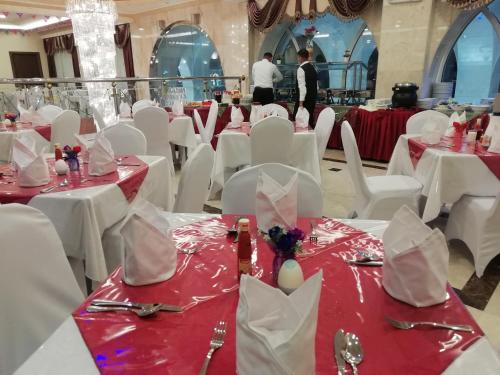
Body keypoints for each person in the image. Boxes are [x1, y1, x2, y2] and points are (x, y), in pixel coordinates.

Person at [293, 48, 318, 128]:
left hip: (304, 100)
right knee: (309, 120)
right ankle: (310, 138)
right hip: (312, 99)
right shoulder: (313, 68)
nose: (298, 59)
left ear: (301, 57)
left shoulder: (301, 69)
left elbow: (302, 87)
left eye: (298, 57)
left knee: (299, 122)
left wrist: (301, 103)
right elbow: (316, 85)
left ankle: (300, 139)